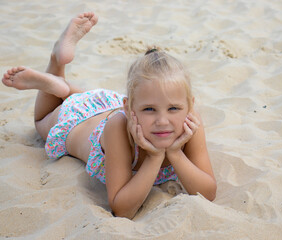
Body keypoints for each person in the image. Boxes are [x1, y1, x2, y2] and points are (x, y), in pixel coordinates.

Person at [1, 12, 217, 219]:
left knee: (95, 99)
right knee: (42, 121)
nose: (162, 121)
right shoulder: (118, 127)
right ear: (130, 108)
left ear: (189, 107)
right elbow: (122, 209)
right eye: (150, 109)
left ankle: (62, 87)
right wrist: (155, 157)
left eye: (173, 109)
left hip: (108, 104)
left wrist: (175, 153)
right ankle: (57, 61)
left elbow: (208, 193)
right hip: (78, 119)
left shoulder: (190, 123)